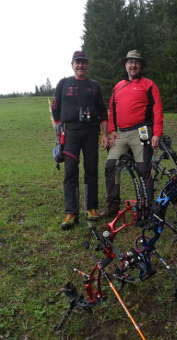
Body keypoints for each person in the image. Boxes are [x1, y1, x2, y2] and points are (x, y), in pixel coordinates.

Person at [51, 51, 108, 230]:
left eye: (84, 62)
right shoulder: (64, 83)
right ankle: (71, 212)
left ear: (88, 65)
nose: (80, 66)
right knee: (70, 172)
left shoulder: (94, 86)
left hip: (91, 132)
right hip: (71, 134)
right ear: (72, 64)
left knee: (91, 170)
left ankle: (91, 208)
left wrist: (104, 134)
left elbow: (103, 113)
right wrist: (59, 133)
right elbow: (55, 109)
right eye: (77, 62)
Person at [105, 50, 164, 217]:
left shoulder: (149, 85)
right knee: (111, 165)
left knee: (144, 167)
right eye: (130, 62)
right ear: (125, 65)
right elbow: (112, 111)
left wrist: (157, 133)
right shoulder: (118, 86)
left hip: (142, 131)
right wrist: (111, 132)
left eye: (136, 62)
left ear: (141, 66)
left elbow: (157, 110)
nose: (133, 65)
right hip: (121, 134)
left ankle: (147, 207)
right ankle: (112, 206)